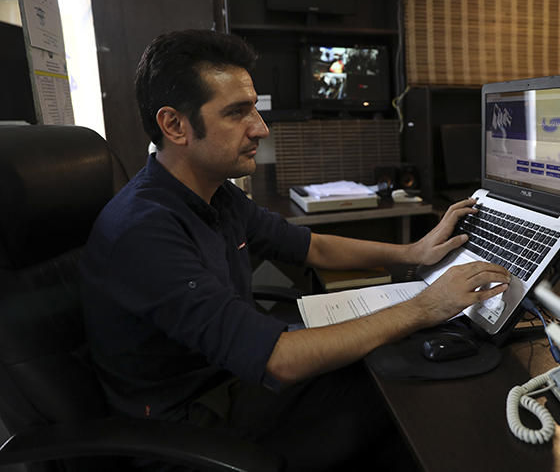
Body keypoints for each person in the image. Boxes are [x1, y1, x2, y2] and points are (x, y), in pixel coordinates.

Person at [79, 29, 509, 471]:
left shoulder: (214, 193)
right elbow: (278, 360)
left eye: (255, 108)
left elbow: (312, 246)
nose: (260, 128)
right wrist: (426, 306)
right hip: (189, 426)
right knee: (405, 398)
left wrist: (413, 253)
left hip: (229, 378)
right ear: (175, 125)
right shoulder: (144, 232)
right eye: (237, 113)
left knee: (389, 362)